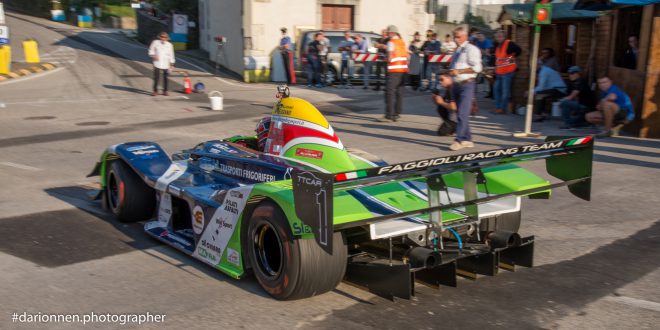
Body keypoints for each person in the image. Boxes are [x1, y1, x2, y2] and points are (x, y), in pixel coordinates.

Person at [447, 26, 482, 151]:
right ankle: (468, 139)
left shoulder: (471, 49)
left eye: (458, 37)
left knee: (462, 113)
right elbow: (453, 67)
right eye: (455, 37)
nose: (456, 39)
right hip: (456, 84)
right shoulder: (458, 50)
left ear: (465, 37)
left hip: (467, 84)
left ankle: (459, 139)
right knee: (460, 113)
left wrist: (460, 71)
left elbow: (477, 68)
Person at [378, 25, 408, 122]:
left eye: (388, 32)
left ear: (391, 33)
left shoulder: (391, 42)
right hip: (403, 71)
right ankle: (396, 114)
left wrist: (384, 59)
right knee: (399, 92)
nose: (387, 34)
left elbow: (390, 57)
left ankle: (389, 115)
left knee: (389, 92)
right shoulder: (402, 42)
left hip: (394, 70)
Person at [492, 30, 522, 114]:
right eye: (497, 37)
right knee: (496, 90)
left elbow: (519, 50)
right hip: (499, 71)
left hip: (508, 71)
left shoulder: (509, 43)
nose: (498, 38)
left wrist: (514, 56)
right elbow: (498, 59)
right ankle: (498, 107)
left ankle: (502, 108)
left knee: (505, 92)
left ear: (504, 37)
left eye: (500, 36)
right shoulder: (498, 46)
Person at [148, 32, 175, 96]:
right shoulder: (155, 42)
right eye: (162, 37)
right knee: (156, 78)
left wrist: (172, 64)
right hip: (157, 63)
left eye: (165, 37)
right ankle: (155, 91)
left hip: (166, 64)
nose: (163, 38)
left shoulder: (169, 45)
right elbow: (150, 51)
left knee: (166, 78)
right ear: (160, 37)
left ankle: (165, 91)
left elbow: (171, 55)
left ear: (167, 38)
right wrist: (154, 55)